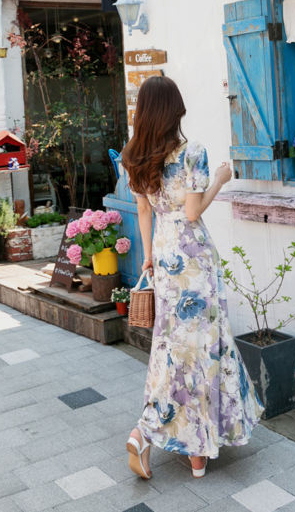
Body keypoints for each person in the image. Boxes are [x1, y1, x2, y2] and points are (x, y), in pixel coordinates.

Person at [121, 75, 263, 480]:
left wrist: (148, 257)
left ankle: (170, 440)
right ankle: (177, 443)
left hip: (165, 255)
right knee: (202, 347)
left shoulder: (133, 155)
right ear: (174, 109)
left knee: (171, 345)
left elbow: (144, 212)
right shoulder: (191, 152)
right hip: (193, 257)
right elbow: (193, 212)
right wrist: (220, 178)